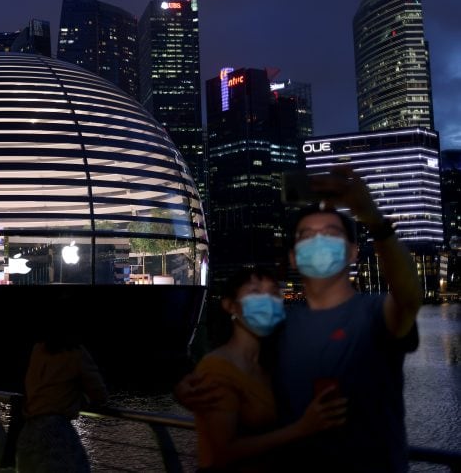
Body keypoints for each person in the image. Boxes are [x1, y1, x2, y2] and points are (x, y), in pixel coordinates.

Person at [178, 166, 422, 472]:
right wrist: (188, 389)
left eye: (331, 234)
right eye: (307, 236)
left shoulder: (375, 312)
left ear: (352, 252)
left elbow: (410, 296)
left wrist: (373, 219)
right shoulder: (279, 323)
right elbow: (235, 365)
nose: (319, 241)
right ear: (293, 257)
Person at [192, 267, 346, 472]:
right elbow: (222, 452)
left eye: (273, 292)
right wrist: (301, 428)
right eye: (255, 292)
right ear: (230, 306)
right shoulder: (216, 368)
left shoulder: (270, 366)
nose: (266, 300)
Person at [15, 300, 108, 473]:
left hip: (28, 431)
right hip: (57, 433)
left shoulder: (38, 350)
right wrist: (82, 400)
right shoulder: (76, 354)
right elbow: (100, 394)